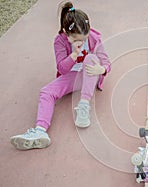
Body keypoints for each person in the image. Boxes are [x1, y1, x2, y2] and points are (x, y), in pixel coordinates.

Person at [10, 1, 111, 150]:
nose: (82, 42)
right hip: (72, 77)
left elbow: (106, 61)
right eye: (77, 39)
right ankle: (40, 131)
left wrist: (101, 70)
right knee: (46, 92)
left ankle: (83, 106)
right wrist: (74, 55)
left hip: (90, 75)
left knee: (91, 58)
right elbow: (62, 69)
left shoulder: (94, 38)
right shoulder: (59, 41)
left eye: (84, 38)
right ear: (66, 32)